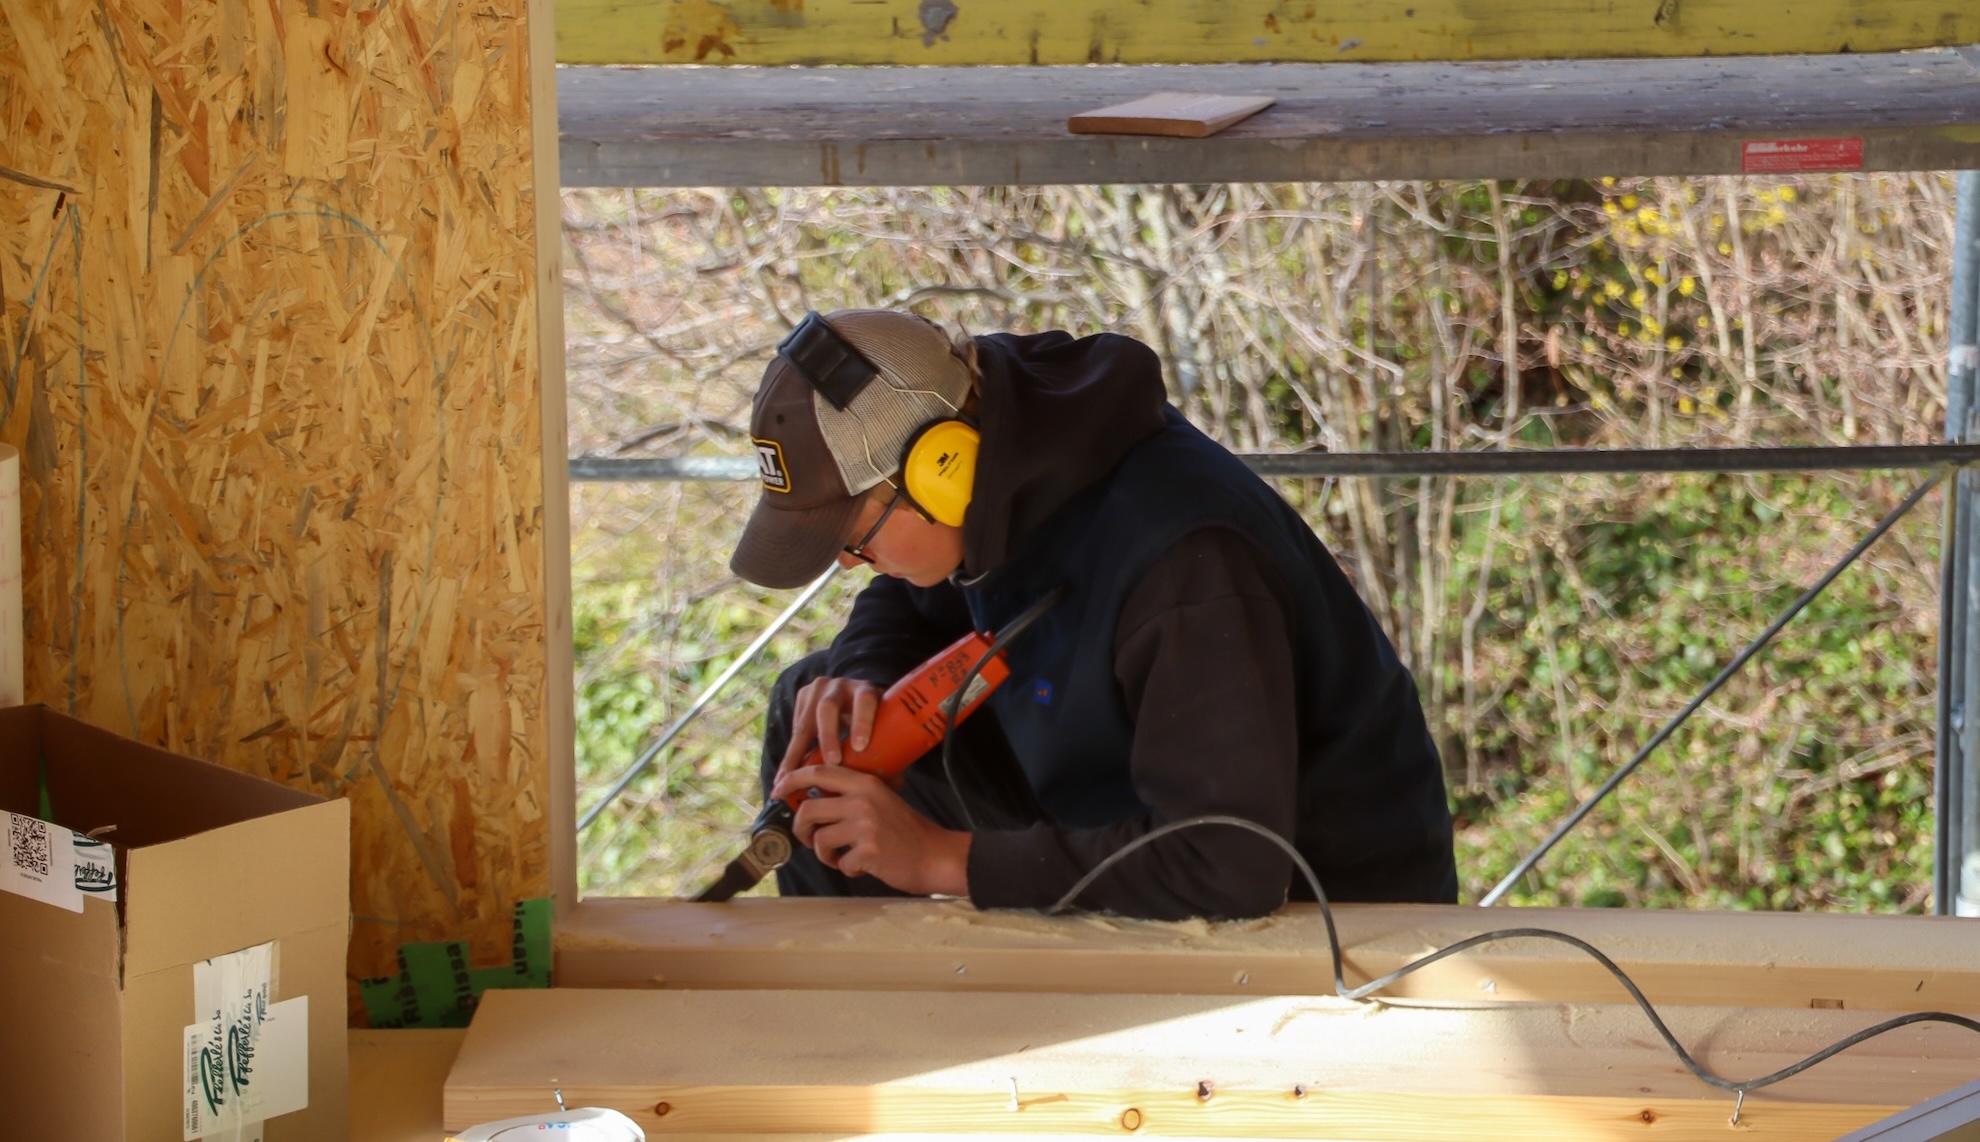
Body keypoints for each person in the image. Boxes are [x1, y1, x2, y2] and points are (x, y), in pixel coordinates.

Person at [730, 308, 1457, 920]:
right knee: (819, 705)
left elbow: (1232, 863)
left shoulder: (1184, 568)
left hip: (1320, 903)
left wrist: (941, 860)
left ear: (943, 468)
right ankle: (850, 1015)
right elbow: (913, 591)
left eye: (854, 537)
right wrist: (863, 671)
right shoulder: (1001, 440)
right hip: (1114, 796)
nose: (851, 564)